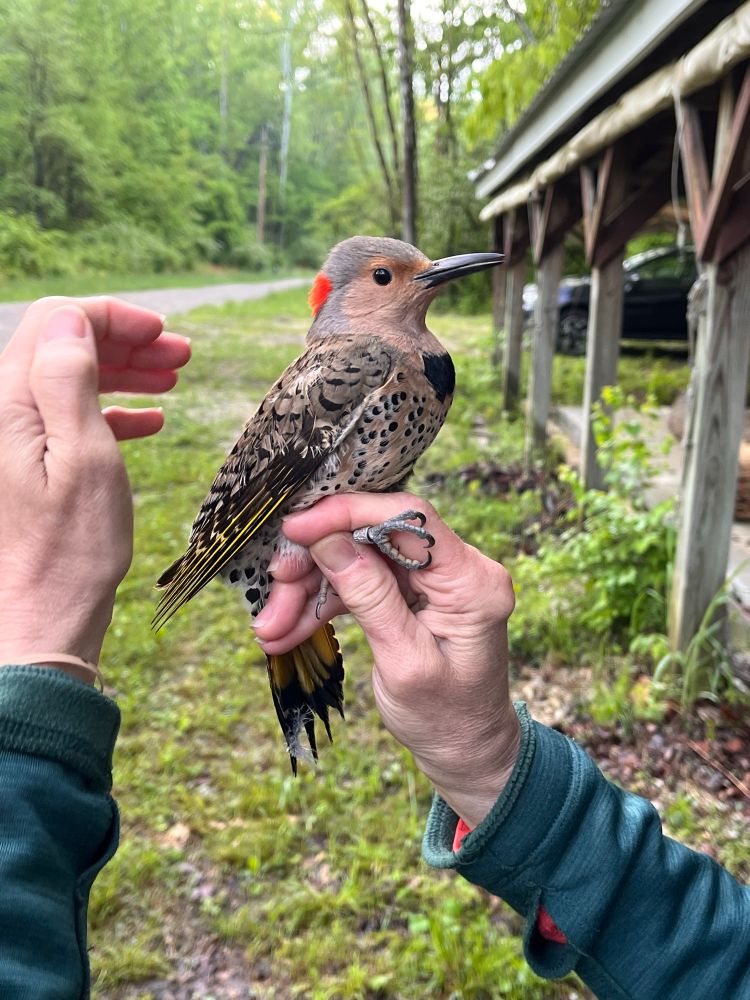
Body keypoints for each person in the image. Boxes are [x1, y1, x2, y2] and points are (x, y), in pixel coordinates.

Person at [0, 298, 747, 1000]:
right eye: (387, 275)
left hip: (316, 556)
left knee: (312, 618)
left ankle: (309, 685)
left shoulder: (414, 363)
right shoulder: (355, 362)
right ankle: (307, 686)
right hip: (277, 541)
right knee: (302, 617)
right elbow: (271, 482)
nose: (417, 281)